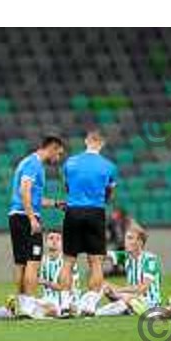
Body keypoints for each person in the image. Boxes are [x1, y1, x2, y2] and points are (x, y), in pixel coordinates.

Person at [59, 129, 118, 317]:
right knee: (96, 261)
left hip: (73, 210)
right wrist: (100, 200)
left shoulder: (70, 162)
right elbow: (110, 192)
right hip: (95, 211)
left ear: (86, 141)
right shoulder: (109, 166)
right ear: (102, 144)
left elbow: (67, 187)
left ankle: (65, 305)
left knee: (68, 260)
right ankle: (90, 305)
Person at [8, 135, 66, 317]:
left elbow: (33, 197)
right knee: (33, 262)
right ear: (53, 148)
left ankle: (20, 305)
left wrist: (56, 203)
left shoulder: (27, 162)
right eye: (59, 153)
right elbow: (24, 191)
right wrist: (33, 218)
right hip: (27, 217)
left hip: (16, 215)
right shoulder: (34, 164)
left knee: (21, 264)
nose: (59, 158)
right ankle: (28, 307)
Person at [96, 226, 162, 316]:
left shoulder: (150, 260)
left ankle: (98, 313)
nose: (126, 242)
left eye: (130, 238)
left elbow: (142, 288)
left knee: (126, 298)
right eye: (126, 238)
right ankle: (91, 308)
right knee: (104, 286)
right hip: (131, 298)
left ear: (140, 242)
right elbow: (102, 254)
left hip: (149, 303)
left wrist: (118, 290)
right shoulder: (126, 256)